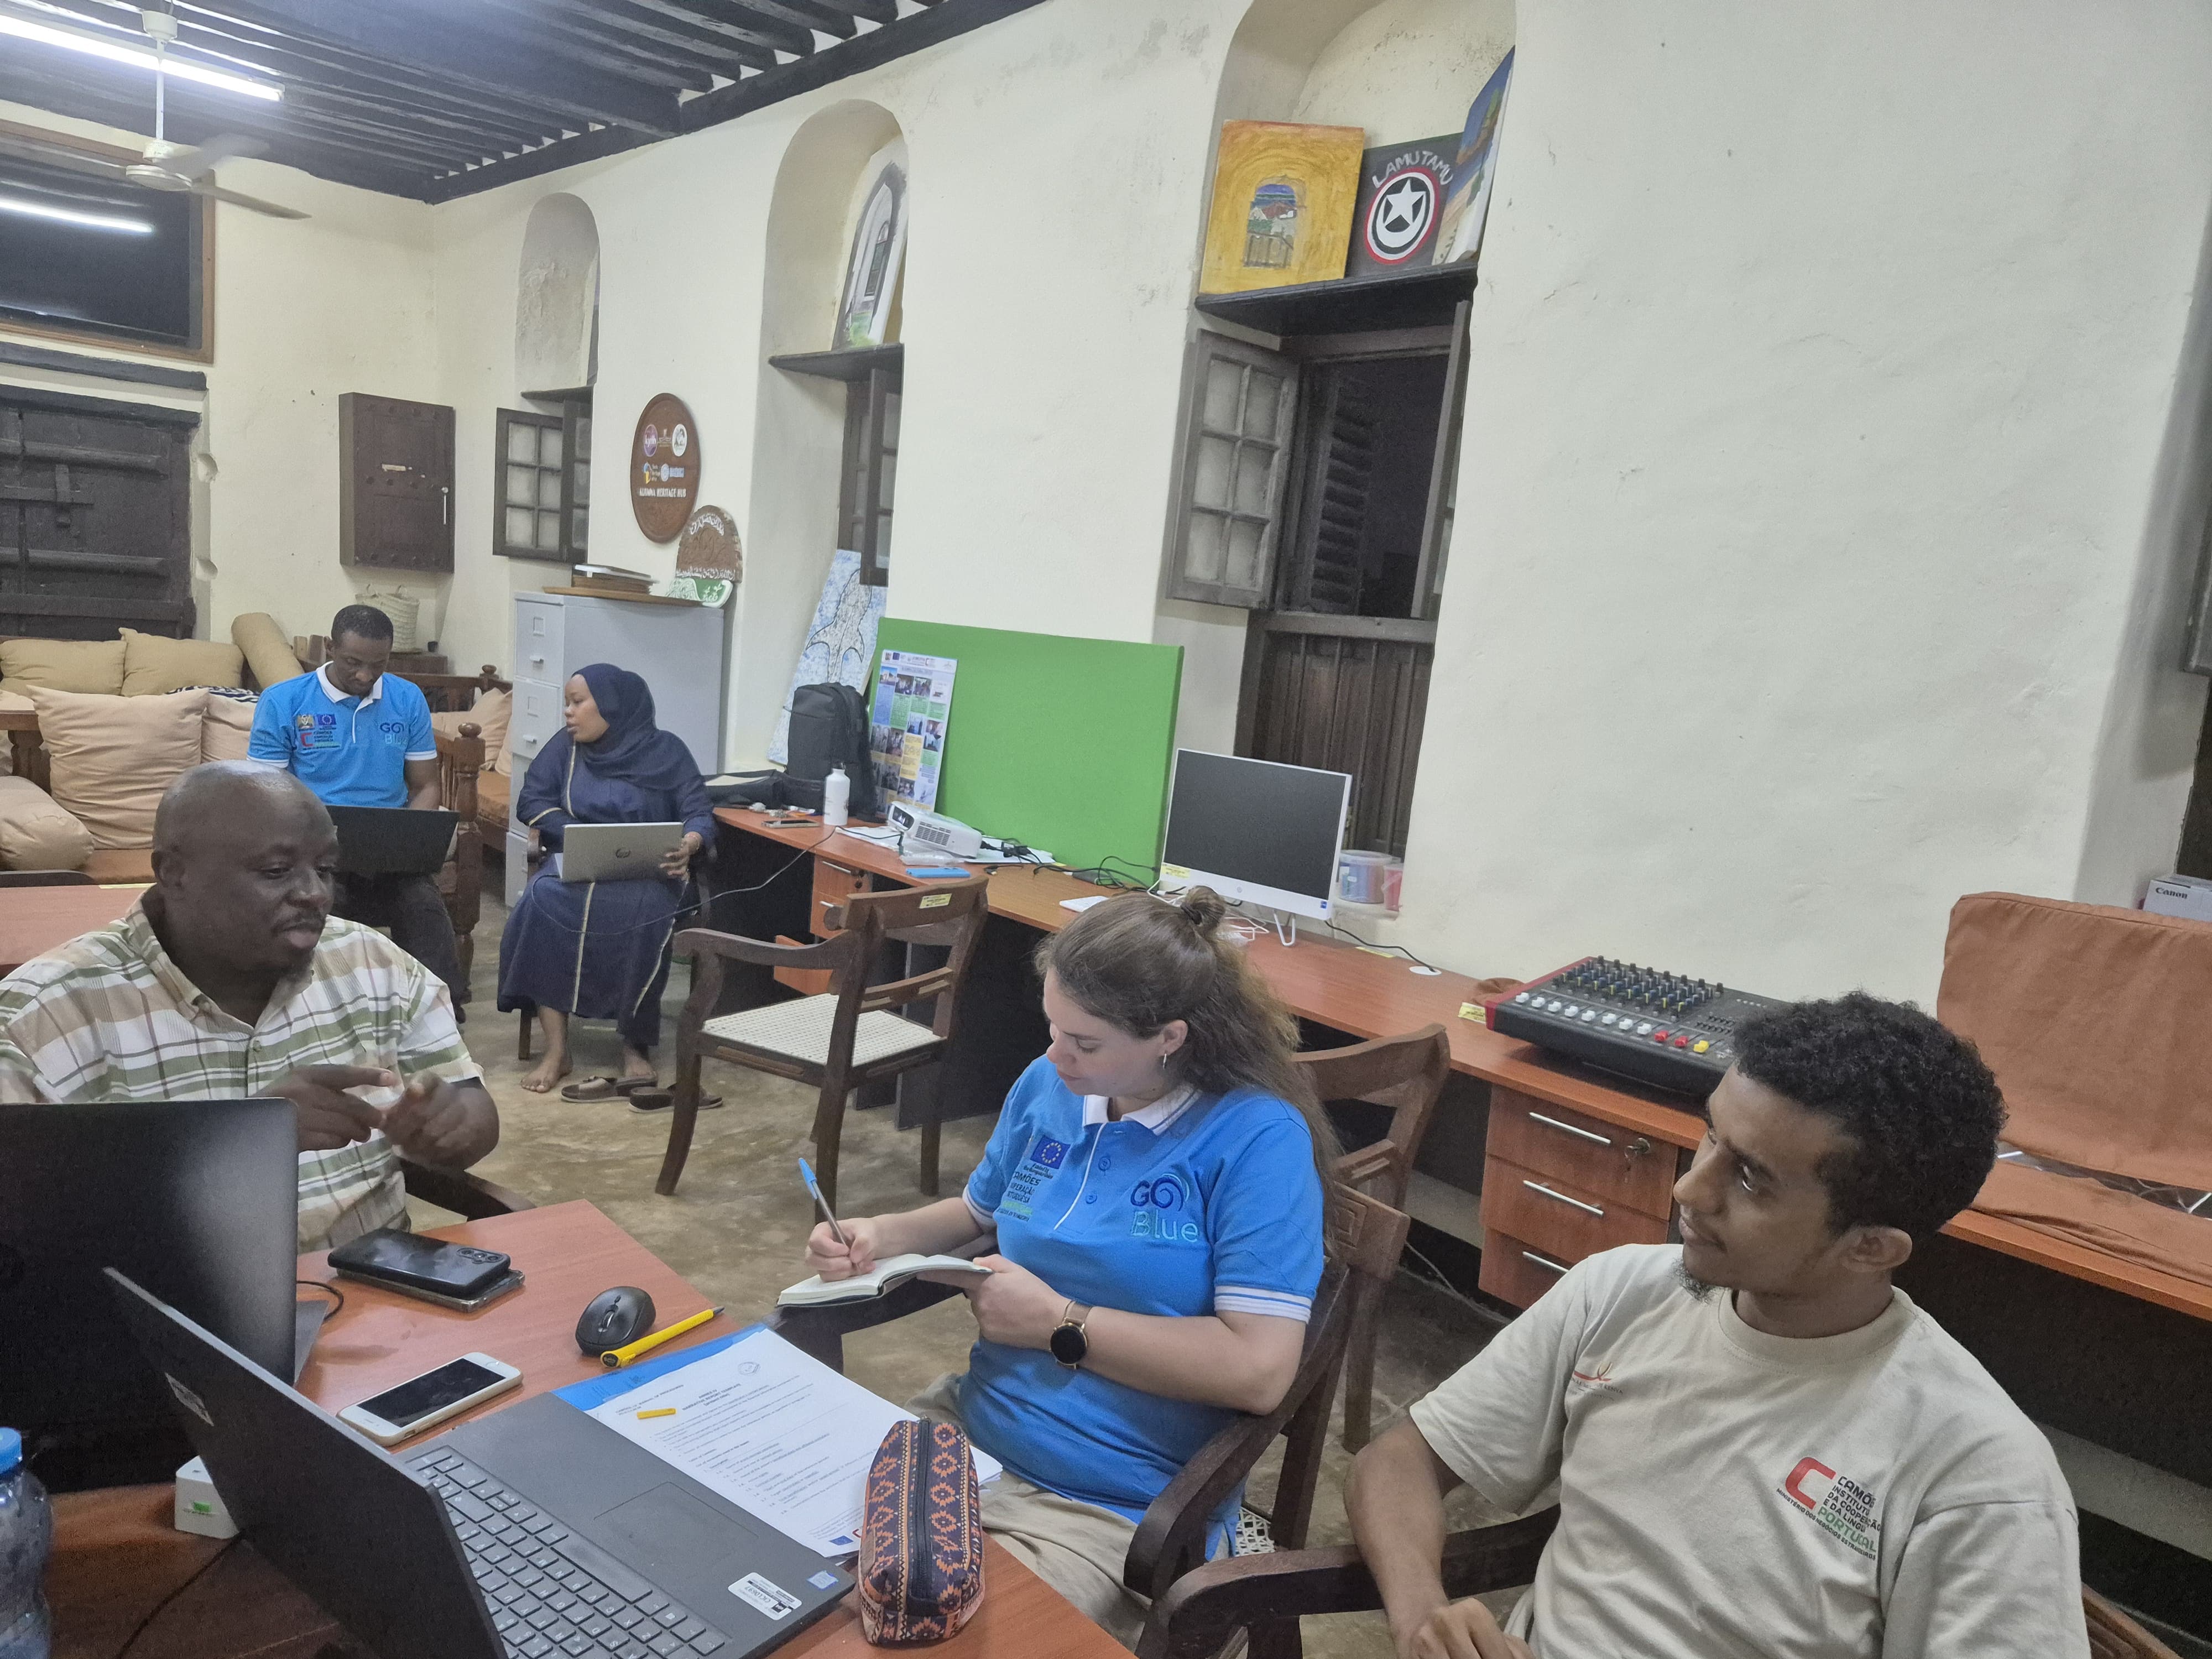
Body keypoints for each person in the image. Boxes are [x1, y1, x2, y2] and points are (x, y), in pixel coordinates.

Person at [1347, 993, 2087, 1659]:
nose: (1688, 1189)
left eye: (1751, 1178)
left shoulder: (1978, 1474)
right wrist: (1422, 1615)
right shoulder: (1623, 1292)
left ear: (1871, 1248)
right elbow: (1399, 1464)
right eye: (1710, 1137)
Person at [802, 889, 1333, 1646]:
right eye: (1053, 1028)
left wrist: (1060, 1325)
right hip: (972, 1437)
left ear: (1169, 1038)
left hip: (1115, 1498)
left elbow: (1259, 1370)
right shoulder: (1054, 1088)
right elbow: (981, 1213)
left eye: (1084, 1042)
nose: (1057, 1056)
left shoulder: (1255, 1140)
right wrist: (880, 1233)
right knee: (794, 1583)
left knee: (940, 1638)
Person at [0, 763, 499, 1251]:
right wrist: (244, 1141)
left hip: (374, 1296)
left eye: (326, 869)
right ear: (175, 872)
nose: (313, 894)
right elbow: (22, 1220)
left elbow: (472, 1109)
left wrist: (456, 1123)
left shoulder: (372, 963)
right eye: (276, 871)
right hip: (160, 1309)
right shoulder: (46, 1014)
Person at [498, 664, 713, 1095]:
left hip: (649, 875)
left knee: (646, 914)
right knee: (540, 902)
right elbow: (533, 800)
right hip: (577, 865)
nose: (568, 713)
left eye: (578, 703)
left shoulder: (668, 751)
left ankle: (634, 1045)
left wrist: (690, 843)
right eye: (567, 703)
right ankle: (557, 1051)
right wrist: (573, 832)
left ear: (613, 707)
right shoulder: (566, 749)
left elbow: (699, 811)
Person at [247, 603, 465, 1011]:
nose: (365, 676)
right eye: (353, 663)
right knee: (322, 909)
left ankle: (440, 1014)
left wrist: (409, 842)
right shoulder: (285, 701)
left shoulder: (406, 698)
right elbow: (266, 794)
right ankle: (322, 1011)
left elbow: (426, 785)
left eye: (377, 665)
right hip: (313, 855)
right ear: (330, 648)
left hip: (388, 854)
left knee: (422, 905)